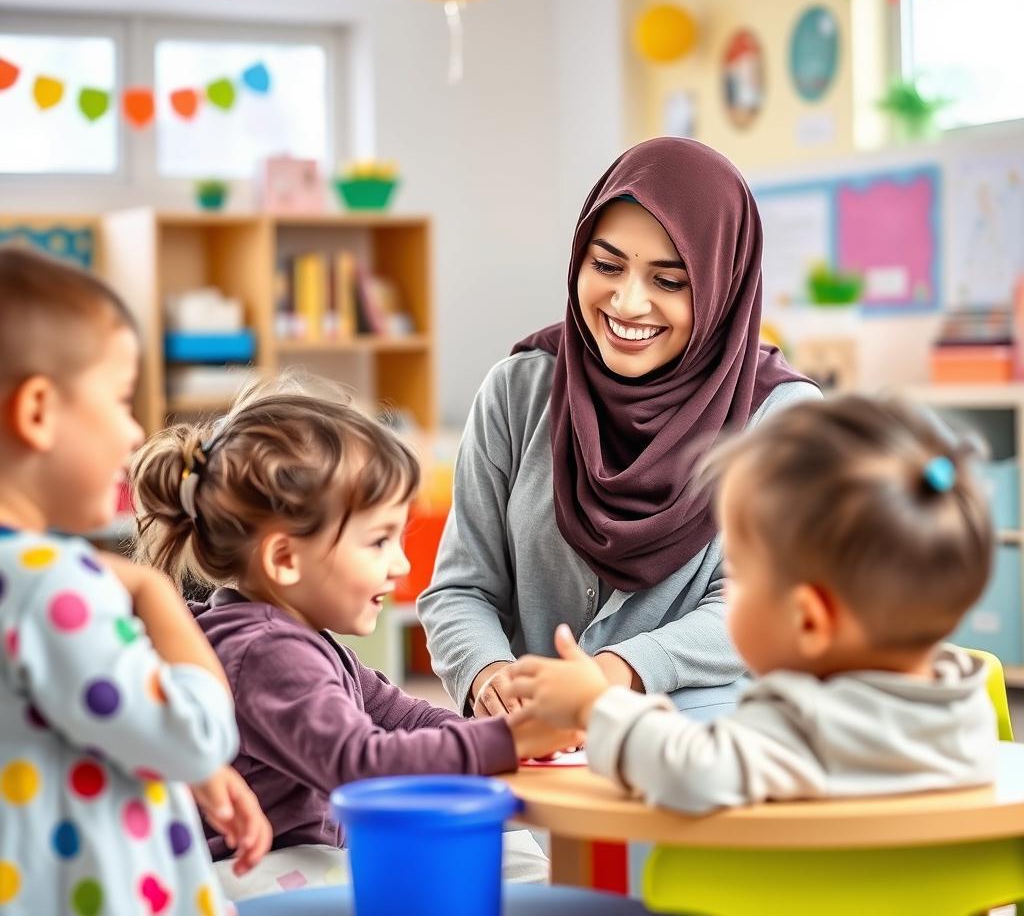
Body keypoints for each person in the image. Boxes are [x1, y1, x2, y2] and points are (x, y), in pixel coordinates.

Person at [419, 136, 819, 720]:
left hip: (711, 758)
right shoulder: (518, 390)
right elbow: (461, 588)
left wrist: (616, 674)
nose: (628, 303)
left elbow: (767, 602)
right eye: (606, 266)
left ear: (721, 284)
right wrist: (488, 675)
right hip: (538, 753)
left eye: (670, 280)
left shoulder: (784, 422)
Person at [131, 379, 570, 899]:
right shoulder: (267, 653)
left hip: (301, 866)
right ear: (284, 559)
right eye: (379, 541)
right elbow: (363, 763)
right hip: (257, 881)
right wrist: (510, 741)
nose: (401, 565)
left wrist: (513, 729)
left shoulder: (294, 636)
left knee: (514, 855)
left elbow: (404, 715)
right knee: (500, 872)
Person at [508, 395, 998, 810]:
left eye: (737, 574)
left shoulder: (800, 732)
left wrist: (595, 706)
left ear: (809, 621)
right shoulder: (967, 711)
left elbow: (688, 769)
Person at [0, 246, 268, 916]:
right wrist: (154, 593)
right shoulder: (52, 586)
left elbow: (72, 721)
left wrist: (191, 772)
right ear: (37, 412)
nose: (133, 431)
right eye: (121, 400)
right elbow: (196, 733)